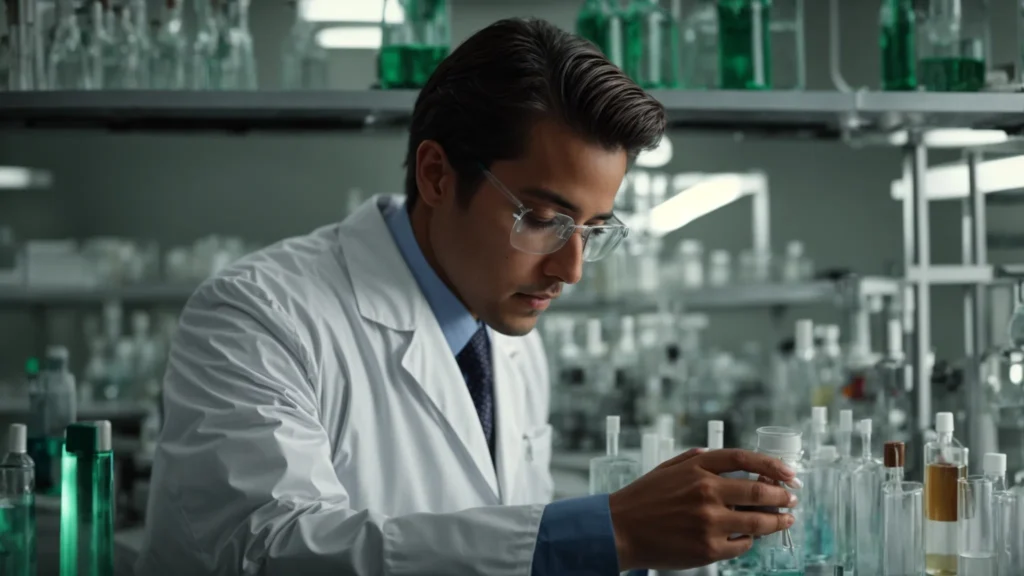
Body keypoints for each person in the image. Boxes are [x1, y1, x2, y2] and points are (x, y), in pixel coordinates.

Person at [137, 18, 797, 576]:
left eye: (593, 231)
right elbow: (264, 549)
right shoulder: (257, 317)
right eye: (543, 220)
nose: (570, 270)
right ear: (436, 175)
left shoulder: (509, 332)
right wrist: (611, 530)